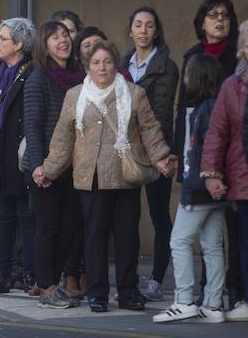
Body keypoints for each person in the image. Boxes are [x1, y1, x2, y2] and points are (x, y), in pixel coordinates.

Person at [40, 40, 176, 313]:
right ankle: (97, 294)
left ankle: (127, 292)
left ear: (116, 64)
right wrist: (49, 169)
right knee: (94, 239)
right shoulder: (75, 95)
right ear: (87, 66)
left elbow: (150, 129)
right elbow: (63, 138)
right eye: (96, 62)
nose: (102, 67)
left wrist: (161, 157)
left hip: (125, 176)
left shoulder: (134, 93)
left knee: (128, 238)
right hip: (90, 177)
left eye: (107, 62)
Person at [200, 17, 248, 325]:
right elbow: (217, 132)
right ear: (242, 50)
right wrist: (211, 173)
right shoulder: (232, 85)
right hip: (243, 171)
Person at [173, 0, 242, 306]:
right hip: (195, 157)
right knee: (210, 240)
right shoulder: (192, 57)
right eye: (213, 15)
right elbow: (181, 114)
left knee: (223, 235)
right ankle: (210, 299)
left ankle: (228, 294)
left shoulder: (237, 59)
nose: (219, 20)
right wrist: (180, 158)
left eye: (225, 15)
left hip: (229, 159)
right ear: (201, 22)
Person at [153, 54, 227, 324]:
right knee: (213, 246)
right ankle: (213, 304)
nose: (184, 79)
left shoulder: (203, 111)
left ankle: (184, 301)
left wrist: (192, 183)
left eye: (188, 74)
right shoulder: (216, 106)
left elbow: (199, 154)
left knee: (179, 241)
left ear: (196, 78)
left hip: (198, 189)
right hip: (216, 190)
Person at [119, 7, 180, 301]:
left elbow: (162, 114)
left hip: (155, 149)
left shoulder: (167, 66)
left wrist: (159, 152)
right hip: (125, 149)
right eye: (138, 24)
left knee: (158, 215)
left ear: (157, 31)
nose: (143, 30)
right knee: (127, 215)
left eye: (149, 25)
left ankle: (156, 278)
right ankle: (127, 278)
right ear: (130, 31)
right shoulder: (121, 63)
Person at [25, 21, 86, 307]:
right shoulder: (39, 77)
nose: (62, 40)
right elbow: (33, 125)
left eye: (65, 35)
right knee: (48, 227)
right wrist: (39, 165)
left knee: (71, 226)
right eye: (54, 37)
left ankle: (54, 280)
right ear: (44, 45)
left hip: (75, 164)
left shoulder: (80, 76)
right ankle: (47, 286)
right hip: (46, 165)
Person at [0, 19, 36, 294]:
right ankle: (2, 273)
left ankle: (28, 272)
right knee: (1, 219)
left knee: (26, 218)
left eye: (2, 38)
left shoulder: (32, 72)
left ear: (19, 44)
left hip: (19, 156)